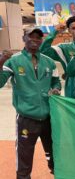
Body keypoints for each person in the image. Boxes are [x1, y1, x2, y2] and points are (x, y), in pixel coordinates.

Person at [0, 27, 61, 178]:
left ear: (41, 40)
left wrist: (56, 89)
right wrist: (0, 61)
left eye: (38, 37)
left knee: (54, 155)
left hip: (48, 118)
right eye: (30, 36)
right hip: (26, 119)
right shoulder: (13, 61)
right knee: (24, 158)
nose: (34, 40)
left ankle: (56, 173)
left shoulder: (49, 62)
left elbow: (56, 81)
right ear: (24, 38)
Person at [40, 16, 75, 100]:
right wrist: (55, 32)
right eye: (73, 28)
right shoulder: (64, 48)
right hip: (72, 92)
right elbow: (43, 50)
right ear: (69, 30)